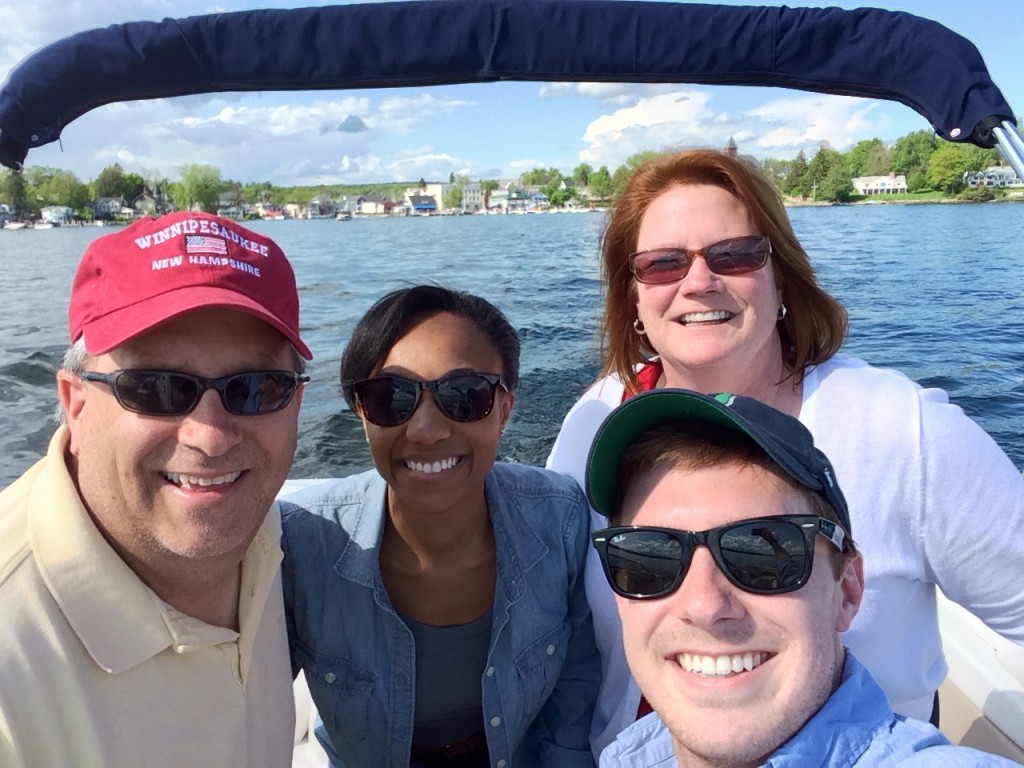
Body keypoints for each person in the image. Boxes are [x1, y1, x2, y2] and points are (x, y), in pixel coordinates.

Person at [546, 148, 1024, 755]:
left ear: (782, 281)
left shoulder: (900, 428)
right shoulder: (595, 420)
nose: (698, 281)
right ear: (633, 302)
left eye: (735, 255)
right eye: (663, 264)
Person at [0, 211, 311, 766]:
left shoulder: (254, 524)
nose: (212, 438)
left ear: (296, 404)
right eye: (157, 388)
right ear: (76, 405)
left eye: (257, 388)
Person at [585, 388, 1020, 767]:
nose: (704, 606)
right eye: (650, 558)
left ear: (847, 591)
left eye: (764, 553)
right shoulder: (629, 755)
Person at [280, 285, 599, 768]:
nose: (427, 430)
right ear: (363, 415)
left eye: (464, 395)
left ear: (505, 410)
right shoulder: (302, 544)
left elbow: (575, 688)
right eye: (391, 398)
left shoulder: (560, 519)